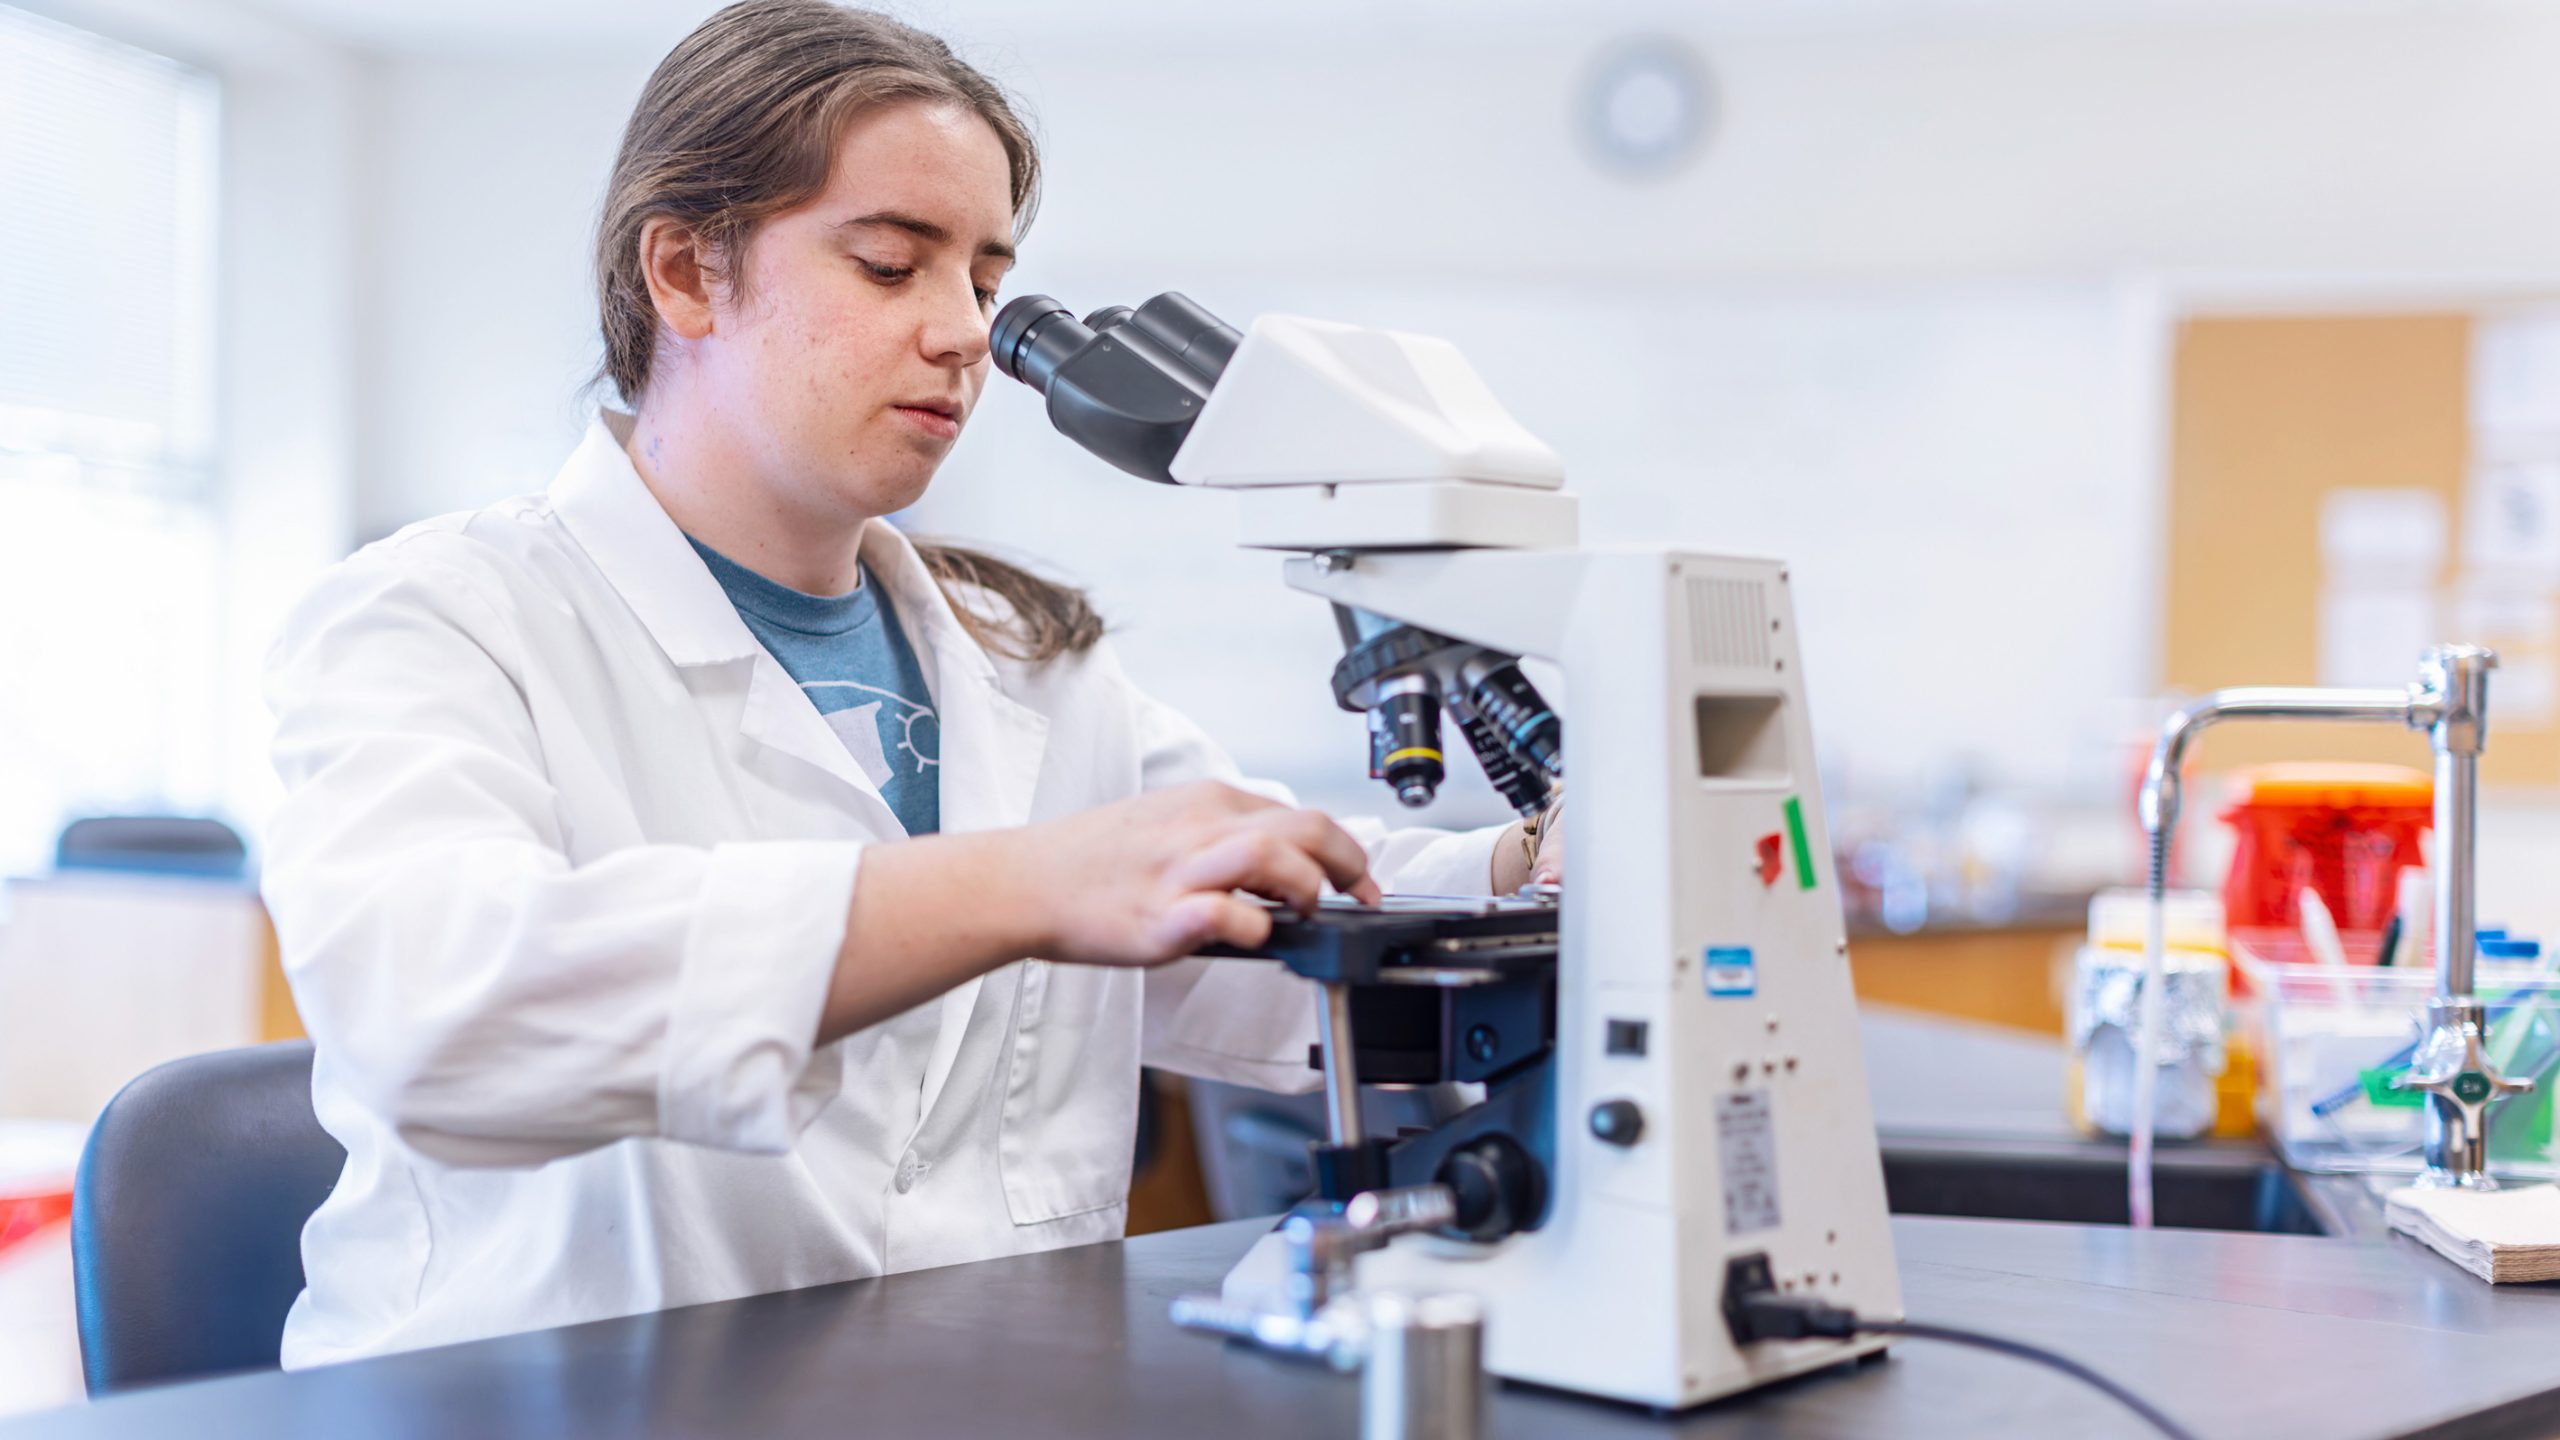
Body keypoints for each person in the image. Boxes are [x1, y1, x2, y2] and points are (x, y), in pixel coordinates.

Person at [261, 0, 1562, 1368]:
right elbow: (443, 1011)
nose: (963, 336)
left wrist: (1540, 865)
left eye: (989, 286)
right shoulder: (439, 617)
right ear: (687, 275)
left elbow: (1258, 928)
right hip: (555, 1399)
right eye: (891, 267)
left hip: (979, 1384)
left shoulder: (1024, 656)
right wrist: (1023, 885)